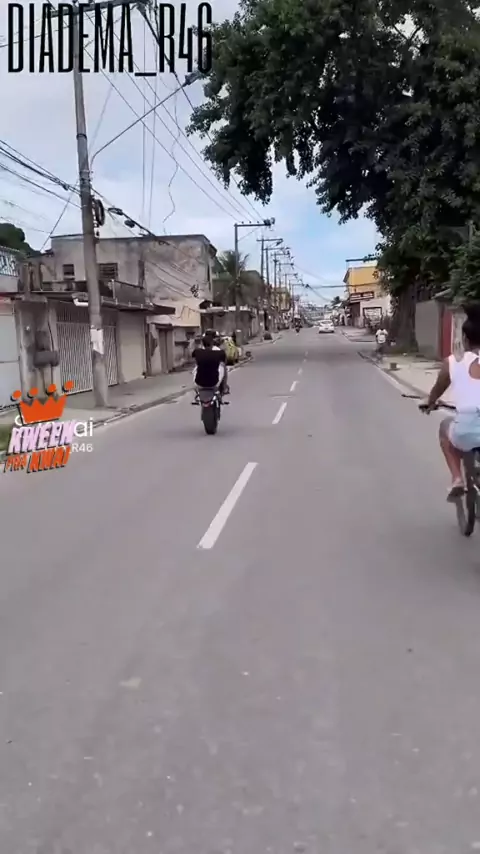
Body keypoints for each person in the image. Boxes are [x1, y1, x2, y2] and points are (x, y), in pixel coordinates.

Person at [421, 304, 480, 501]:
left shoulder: (452, 362)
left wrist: (430, 402)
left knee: (445, 427)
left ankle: (457, 479)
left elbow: (437, 389)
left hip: (466, 432)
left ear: (465, 339)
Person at [192, 333, 228, 397]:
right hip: (214, 383)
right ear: (212, 343)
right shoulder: (219, 353)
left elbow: (193, 357)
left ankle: (197, 392)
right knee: (223, 366)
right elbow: (224, 361)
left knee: (196, 367)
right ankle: (224, 388)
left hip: (199, 383)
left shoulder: (197, 352)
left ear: (202, 343)